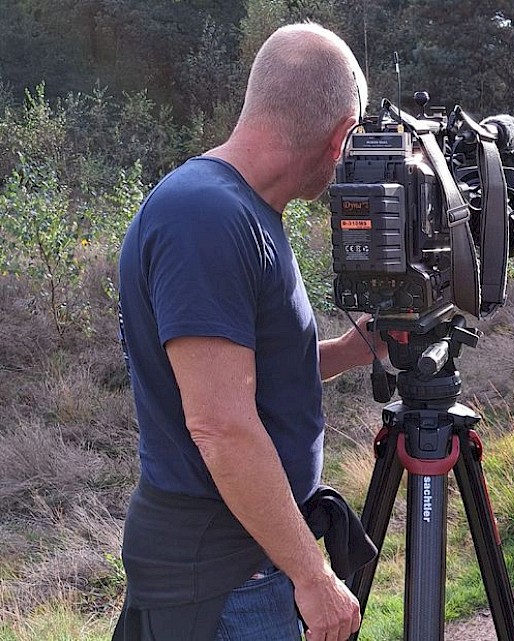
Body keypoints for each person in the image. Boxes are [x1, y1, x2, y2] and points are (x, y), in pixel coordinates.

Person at [113, 23, 380, 641]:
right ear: (342, 137)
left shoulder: (240, 210)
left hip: (246, 563)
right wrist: (313, 579)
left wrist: (350, 350)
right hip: (226, 579)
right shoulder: (204, 216)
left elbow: (250, 376)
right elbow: (221, 426)